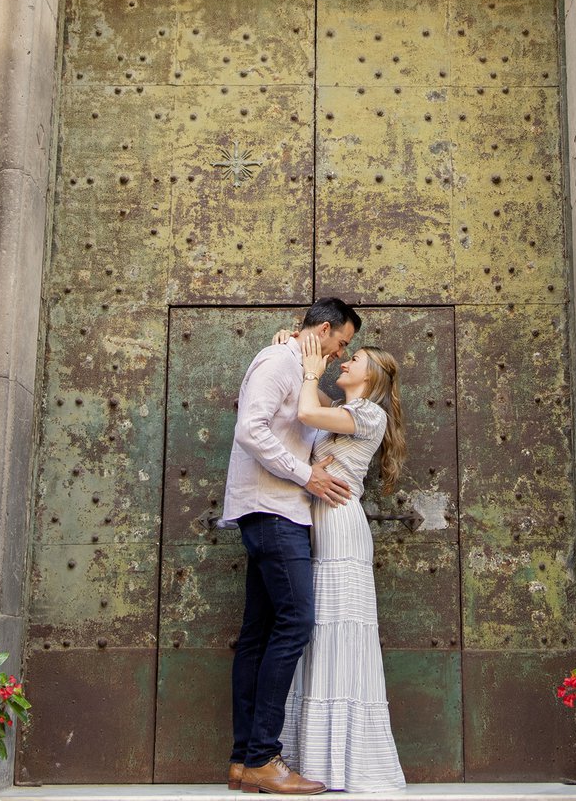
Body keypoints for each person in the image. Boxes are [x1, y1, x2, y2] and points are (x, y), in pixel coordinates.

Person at [223, 299, 360, 796]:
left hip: (276, 511)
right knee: (296, 622)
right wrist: (307, 476)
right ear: (325, 329)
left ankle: (243, 760)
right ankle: (263, 756)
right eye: (341, 342)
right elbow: (250, 429)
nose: (342, 351)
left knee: (258, 634)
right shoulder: (277, 360)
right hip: (274, 510)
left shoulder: (299, 366)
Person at [280, 329, 409, 793]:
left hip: (339, 523)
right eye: (345, 357)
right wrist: (289, 344)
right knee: (318, 630)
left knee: (338, 629)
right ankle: (316, 759)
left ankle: (347, 762)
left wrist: (311, 372)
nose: (346, 363)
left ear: (372, 376)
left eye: (356, 361)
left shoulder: (367, 412)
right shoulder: (346, 411)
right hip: (319, 519)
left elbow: (307, 411)